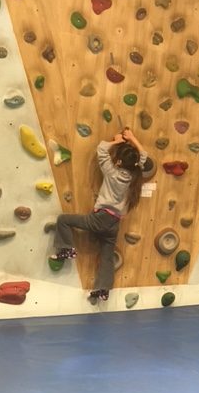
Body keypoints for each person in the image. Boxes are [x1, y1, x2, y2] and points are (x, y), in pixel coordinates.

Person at [50, 127, 147, 302]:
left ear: (118, 162)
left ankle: (66, 249)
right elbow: (144, 157)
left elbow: (101, 149)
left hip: (100, 218)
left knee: (63, 220)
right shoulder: (134, 176)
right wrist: (132, 138)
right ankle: (102, 290)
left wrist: (117, 141)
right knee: (106, 257)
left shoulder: (112, 173)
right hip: (114, 223)